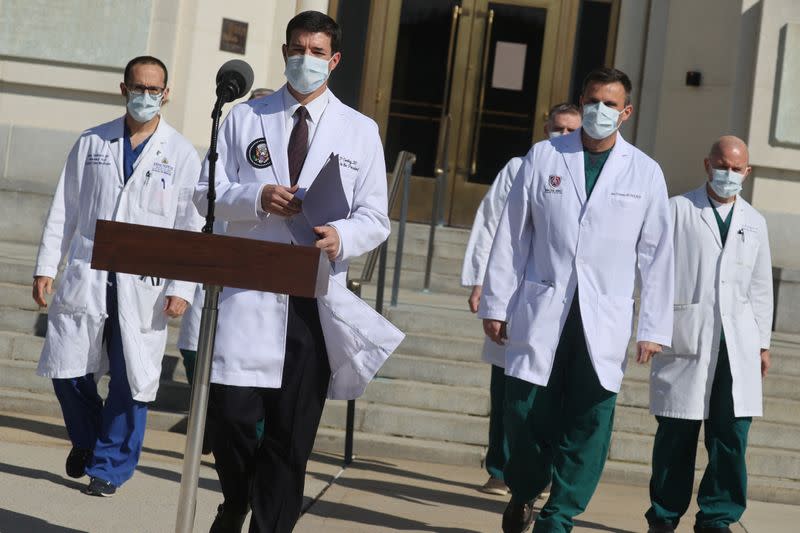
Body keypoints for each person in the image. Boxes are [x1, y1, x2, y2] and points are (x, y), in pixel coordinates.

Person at [194, 11, 403, 533]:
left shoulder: (359, 130)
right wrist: (257, 197)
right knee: (234, 420)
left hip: (311, 297)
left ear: (333, 61)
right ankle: (237, 496)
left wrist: (341, 236)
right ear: (284, 51)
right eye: (296, 49)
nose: (304, 59)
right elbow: (206, 193)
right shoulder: (245, 117)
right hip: (248, 290)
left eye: (316, 52)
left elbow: (376, 217)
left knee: (290, 435)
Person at [479, 67, 674, 533]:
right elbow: (511, 235)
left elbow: (657, 254)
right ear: (580, 101)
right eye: (592, 101)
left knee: (589, 422)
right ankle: (525, 488)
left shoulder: (645, 172)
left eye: (610, 104)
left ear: (626, 112)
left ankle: (559, 514)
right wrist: (495, 302)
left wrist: (652, 327)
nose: (599, 111)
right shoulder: (545, 155)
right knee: (523, 413)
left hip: (601, 316)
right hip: (543, 306)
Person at [32, 55, 201, 497]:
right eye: (139, 88)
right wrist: (46, 266)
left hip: (145, 283)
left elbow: (191, 225)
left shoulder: (181, 153)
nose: (147, 96)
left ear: (167, 93)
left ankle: (108, 466)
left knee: (132, 379)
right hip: (88, 274)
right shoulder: (92, 142)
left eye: (155, 89)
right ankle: (88, 443)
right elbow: (64, 207)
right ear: (123, 89)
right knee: (68, 370)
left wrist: (182, 287)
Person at [645, 136, 772, 533]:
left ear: (747, 173)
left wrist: (763, 343)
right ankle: (663, 517)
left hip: (738, 345)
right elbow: (656, 274)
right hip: (687, 338)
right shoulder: (677, 210)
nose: (729, 174)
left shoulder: (755, 221)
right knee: (676, 437)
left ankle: (718, 516)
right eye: (722, 165)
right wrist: (650, 329)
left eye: (737, 169)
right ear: (706, 164)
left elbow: (760, 287)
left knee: (731, 436)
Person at [461, 103, 581, 496]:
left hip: (563, 298)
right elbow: (493, 225)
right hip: (517, 292)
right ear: (545, 126)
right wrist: (481, 282)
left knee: (553, 391)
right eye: (557, 128)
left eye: (571, 129)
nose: (563, 135)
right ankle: (500, 466)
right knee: (508, 385)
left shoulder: (586, 174)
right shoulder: (520, 166)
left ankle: (541, 471)